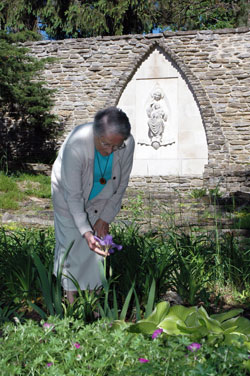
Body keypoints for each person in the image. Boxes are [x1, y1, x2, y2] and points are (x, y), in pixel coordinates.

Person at [51, 107, 135, 303]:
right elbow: (73, 196)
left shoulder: (127, 143)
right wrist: (85, 231)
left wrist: (105, 217)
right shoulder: (76, 145)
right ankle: (71, 308)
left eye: (117, 146)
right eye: (105, 144)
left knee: (97, 252)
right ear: (96, 133)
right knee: (72, 246)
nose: (110, 151)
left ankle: (95, 308)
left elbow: (121, 185)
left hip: (101, 198)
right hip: (68, 196)